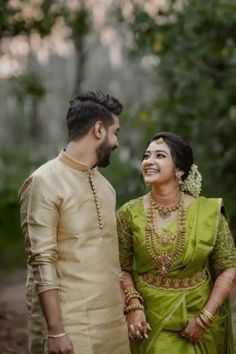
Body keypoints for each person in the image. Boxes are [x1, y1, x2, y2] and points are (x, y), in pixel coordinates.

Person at [19, 91, 130, 354]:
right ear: (99, 130)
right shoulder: (44, 182)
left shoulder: (107, 188)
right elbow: (42, 260)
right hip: (70, 326)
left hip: (113, 326)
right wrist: (56, 330)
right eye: (116, 133)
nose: (116, 143)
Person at [117, 132, 236, 354]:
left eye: (159, 155)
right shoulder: (128, 213)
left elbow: (228, 268)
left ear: (179, 170)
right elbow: (120, 267)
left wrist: (205, 318)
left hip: (199, 317)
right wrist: (133, 306)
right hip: (149, 320)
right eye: (146, 156)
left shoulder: (209, 213)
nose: (149, 161)